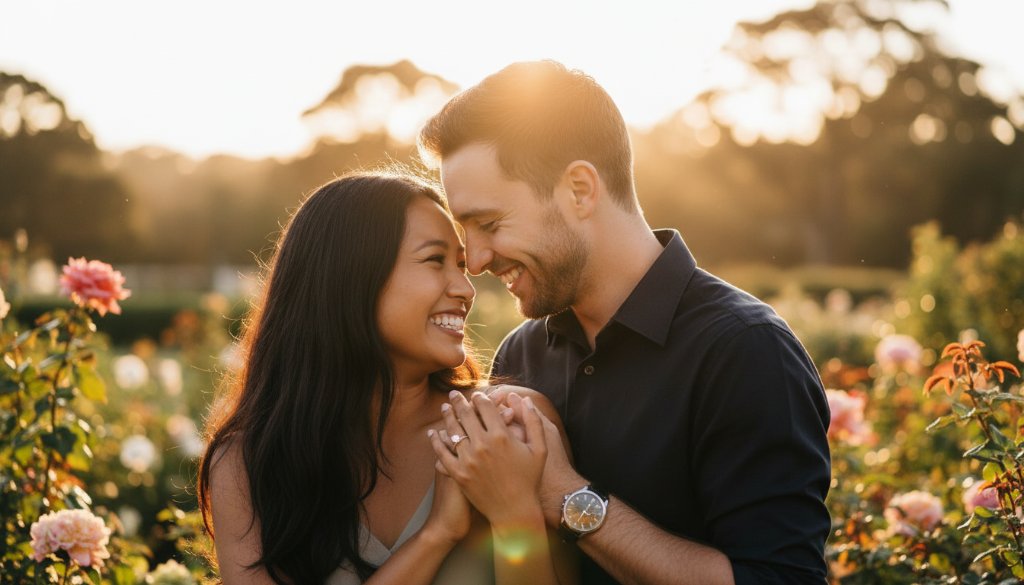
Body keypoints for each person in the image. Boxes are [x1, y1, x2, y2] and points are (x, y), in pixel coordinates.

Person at [418, 61, 832, 585]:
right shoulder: (521, 356)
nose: (474, 260)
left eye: (490, 224)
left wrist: (567, 499)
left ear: (580, 190)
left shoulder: (746, 350)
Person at [197, 172, 575, 585]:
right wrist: (438, 534)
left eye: (462, 265)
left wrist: (512, 510)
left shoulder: (510, 426)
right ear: (351, 277)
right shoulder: (249, 462)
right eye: (435, 260)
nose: (466, 289)